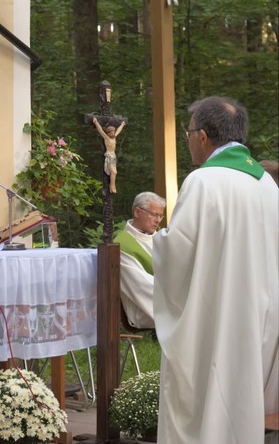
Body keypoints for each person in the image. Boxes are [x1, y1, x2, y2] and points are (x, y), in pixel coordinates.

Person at [153, 96, 279, 444]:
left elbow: (178, 254)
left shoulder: (203, 182)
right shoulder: (267, 185)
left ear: (203, 136)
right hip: (258, 319)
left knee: (203, 406)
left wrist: (157, 243)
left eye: (189, 132)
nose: (188, 139)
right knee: (242, 401)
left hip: (214, 320)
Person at [113, 191, 165, 330]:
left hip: (168, 299)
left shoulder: (163, 238)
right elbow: (142, 285)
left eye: (160, 215)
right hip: (144, 308)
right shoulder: (122, 245)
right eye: (154, 214)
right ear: (137, 212)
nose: (158, 220)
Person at [92, 116, 126, 194]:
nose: (113, 133)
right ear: (108, 133)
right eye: (111, 132)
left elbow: (119, 130)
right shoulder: (107, 138)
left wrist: (122, 125)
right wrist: (96, 122)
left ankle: (112, 186)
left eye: (113, 132)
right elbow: (100, 130)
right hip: (109, 156)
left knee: (115, 172)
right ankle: (112, 186)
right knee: (113, 172)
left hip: (113, 156)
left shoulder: (114, 137)